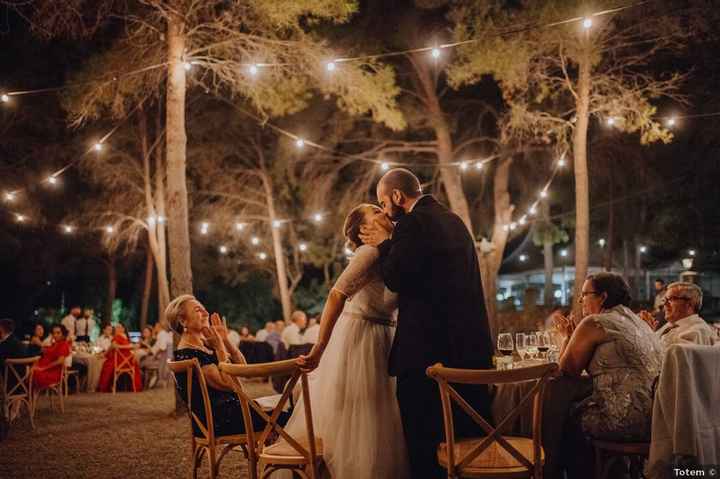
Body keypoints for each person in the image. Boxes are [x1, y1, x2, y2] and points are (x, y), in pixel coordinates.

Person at [358, 168, 493, 479]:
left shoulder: (411, 222)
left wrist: (383, 243)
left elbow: (395, 278)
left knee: (424, 443)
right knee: (469, 439)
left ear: (397, 196)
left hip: (427, 356)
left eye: (383, 202)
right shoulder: (454, 220)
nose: (385, 212)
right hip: (470, 350)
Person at [293, 204, 410, 478]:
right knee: (363, 415)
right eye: (375, 212)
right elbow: (336, 295)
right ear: (363, 229)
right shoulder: (368, 253)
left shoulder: (389, 252)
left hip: (384, 335)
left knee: (380, 415)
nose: (384, 213)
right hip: (362, 337)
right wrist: (319, 347)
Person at [552, 272, 662, 479]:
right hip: (656, 421)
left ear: (602, 297)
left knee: (559, 418)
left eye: (584, 294)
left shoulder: (594, 322)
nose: (580, 300)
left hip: (621, 423)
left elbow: (566, 371)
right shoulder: (638, 323)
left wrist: (567, 338)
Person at [166, 295, 268, 437]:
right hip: (221, 421)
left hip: (234, 411)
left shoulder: (205, 346)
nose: (206, 313)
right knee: (288, 416)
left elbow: (245, 370)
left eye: (204, 309)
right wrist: (220, 347)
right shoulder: (189, 353)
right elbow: (229, 384)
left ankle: (275, 456)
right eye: (198, 310)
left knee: (288, 409)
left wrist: (225, 340)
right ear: (183, 321)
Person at [640, 281, 716, 348]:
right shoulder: (671, 325)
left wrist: (647, 332)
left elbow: (662, 360)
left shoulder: (696, 332)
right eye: (664, 300)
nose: (665, 304)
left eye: (671, 299)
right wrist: (649, 330)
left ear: (689, 304)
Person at [97, 323, 142, 392]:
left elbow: (113, 346)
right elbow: (134, 346)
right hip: (129, 361)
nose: (117, 329)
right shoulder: (125, 337)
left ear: (123, 329)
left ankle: (104, 386)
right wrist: (130, 347)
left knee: (106, 364)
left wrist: (104, 354)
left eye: (119, 327)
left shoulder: (117, 336)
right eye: (116, 327)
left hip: (120, 360)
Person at [32, 324, 72, 391]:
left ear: (63, 334)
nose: (55, 335)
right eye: (53, 333)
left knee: (29, 374)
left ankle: (25, 398)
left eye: (58, 333)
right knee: (25, 371)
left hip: (52, 372)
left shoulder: (63, 345)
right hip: (44, 369)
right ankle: (26, 397)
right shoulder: (54, 344)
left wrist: (43, 368)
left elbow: (60, 361)